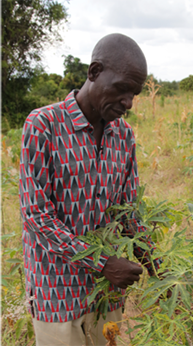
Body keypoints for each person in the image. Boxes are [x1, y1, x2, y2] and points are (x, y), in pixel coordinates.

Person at [19, 33, 161, 346]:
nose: (128, 103)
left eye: (134, 94)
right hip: (56, 291)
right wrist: (103, 263)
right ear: (94, 73)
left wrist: (158, 267)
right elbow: (36, 216)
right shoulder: (43, 125)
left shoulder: (123, 135)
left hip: (106, 294)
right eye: (122, 89)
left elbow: (128, 211)